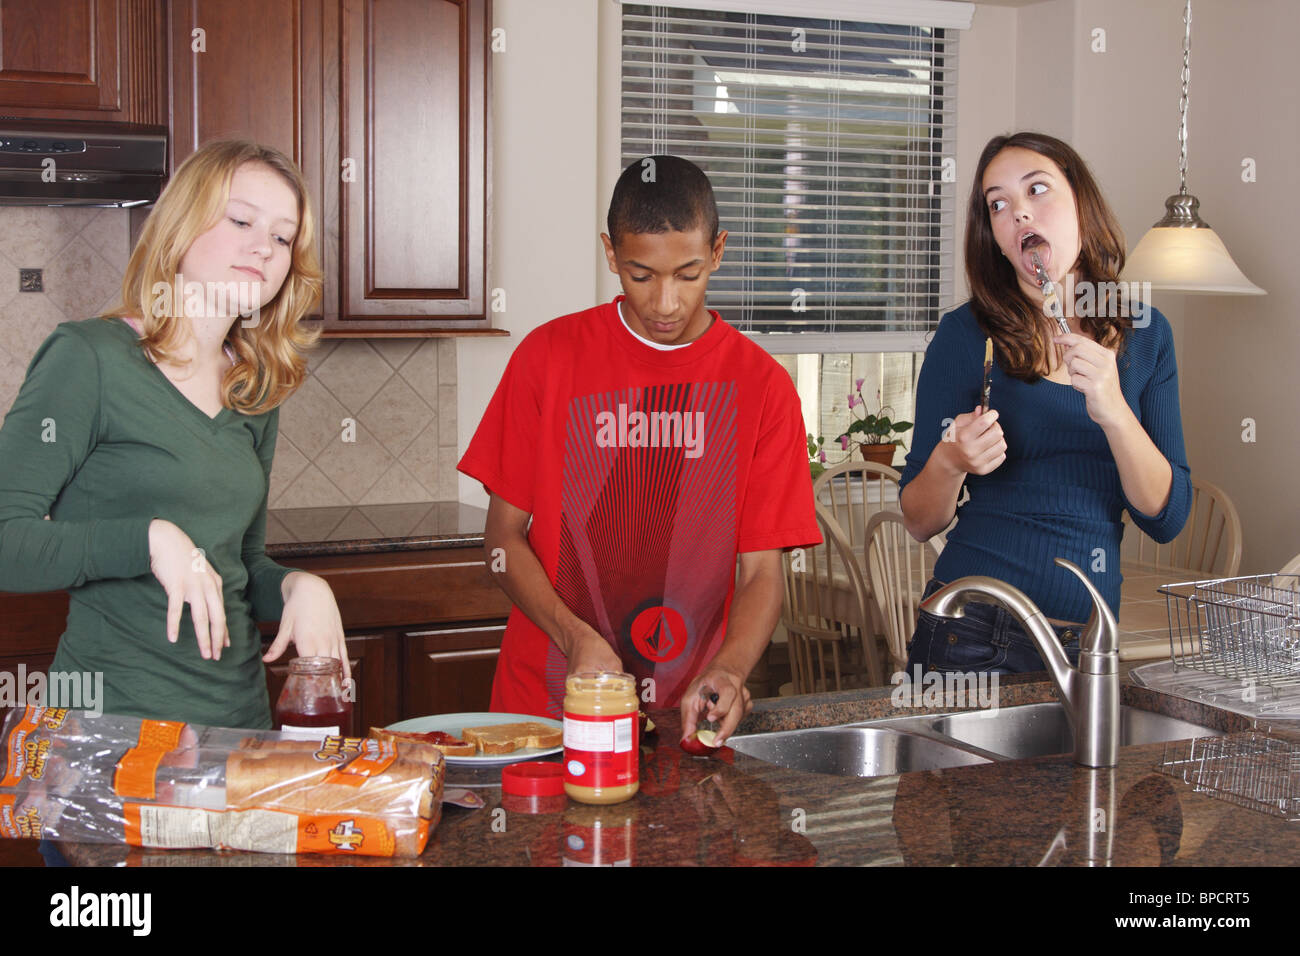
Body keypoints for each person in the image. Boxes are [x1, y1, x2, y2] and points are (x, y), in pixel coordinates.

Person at [458, 155, 820, 743]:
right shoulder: (547, 358)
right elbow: (502, 538)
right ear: (610, 255)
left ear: (719, 251)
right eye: (641, 275)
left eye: (689, 273)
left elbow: (760, 573)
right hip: (543, 710)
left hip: (685, 717)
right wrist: (576, 638)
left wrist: (728, 670)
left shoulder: (762, 387)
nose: (667, 303)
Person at [0, 139, 349, 728]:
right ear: (181, 227)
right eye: (241, 220)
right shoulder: (89, 358)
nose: (264, 247)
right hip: (108, 734)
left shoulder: (253, 388)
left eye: (284, 237)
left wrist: (298, 586)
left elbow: (237, 564)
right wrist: (149, 540)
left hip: (236, 728)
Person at [899, 131, 1191, 676]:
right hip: (970, 630)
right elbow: (918, 520)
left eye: (1037, 190)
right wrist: (950, 460)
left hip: (1088, 644)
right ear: (996, 236)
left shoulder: (1147, 335)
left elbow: (1167, 517)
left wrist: (1113, 409)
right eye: (999, 205)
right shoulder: (966, 335)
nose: (1019, 214)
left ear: (1081, 201)